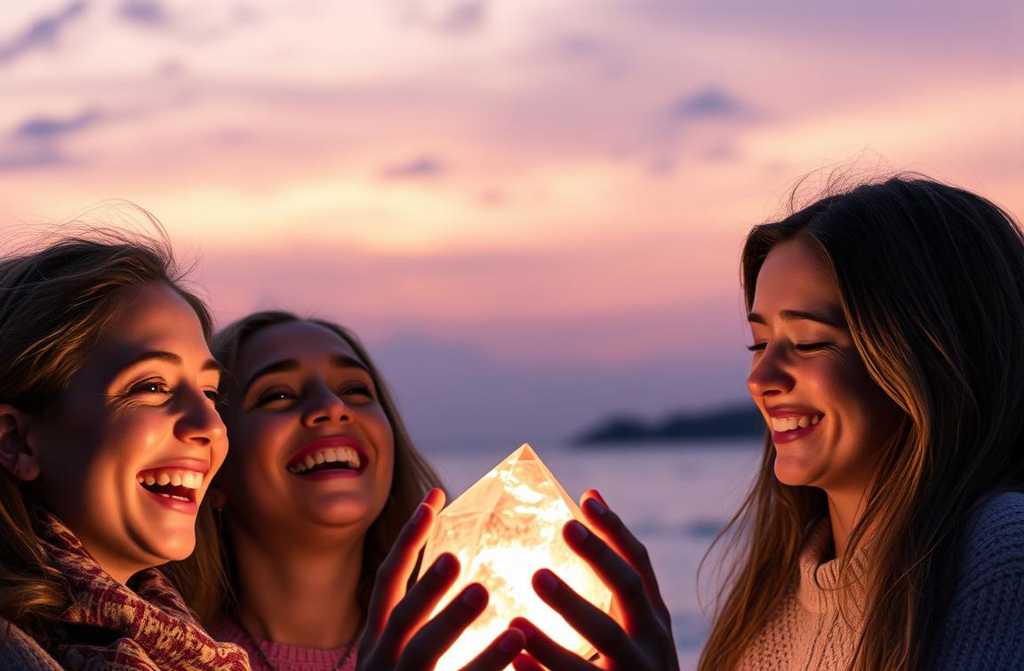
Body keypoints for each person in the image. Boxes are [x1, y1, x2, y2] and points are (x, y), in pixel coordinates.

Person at [697, 176, 1024, 670]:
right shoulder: (767, 608)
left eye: (808, 342)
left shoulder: (1000, 554)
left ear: (931, 355)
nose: (760, 378)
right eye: (759, 344)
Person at [168, 311, 527, 671]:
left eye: (355, 390)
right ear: (213, 470)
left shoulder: (473, 647)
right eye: (279, 395)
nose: (332, 406)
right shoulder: (159, 654)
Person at [0, 227, 248, 670]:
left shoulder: (168, 645)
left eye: (210, 393)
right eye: (152, 387)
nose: (210, 425)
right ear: (15, 440)